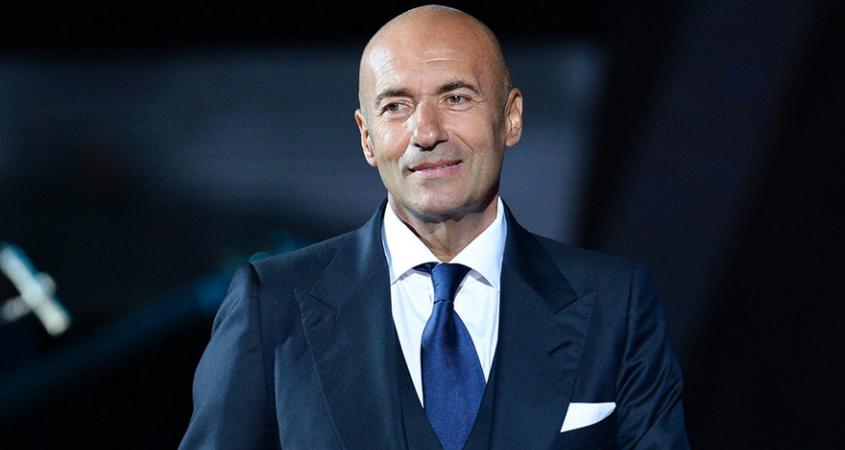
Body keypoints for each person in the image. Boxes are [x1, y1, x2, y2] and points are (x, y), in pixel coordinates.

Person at [179, 5, 689, 449]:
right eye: (396, 106)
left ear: (511, 117)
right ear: (367, 137)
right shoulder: (271, 305)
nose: (425, 132)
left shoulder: (615, 304)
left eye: (456, 98)